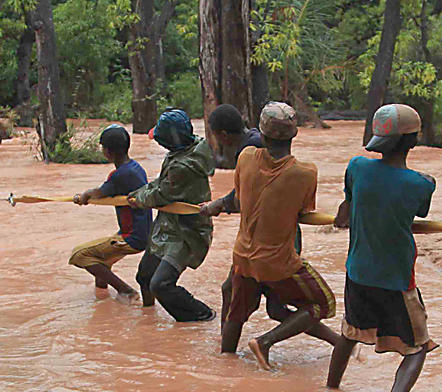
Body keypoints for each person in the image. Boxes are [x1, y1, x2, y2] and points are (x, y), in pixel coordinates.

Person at [203, 102, 343, 368]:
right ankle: (265, 342)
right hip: (278, 261)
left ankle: (225, 363)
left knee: (236, 312)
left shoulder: (245, 158)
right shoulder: (306, 173)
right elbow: (303, 211)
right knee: (323, 304)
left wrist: (217, 205)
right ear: (294, 135)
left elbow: (238, 199)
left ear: (262, 134)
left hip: (243, 256)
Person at [326, 103, 437, 392]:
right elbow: (420, 212)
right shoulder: (421, 184)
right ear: (413, 141)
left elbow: (345, 209)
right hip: (396, 280)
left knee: (350, 332)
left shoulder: (357, 167)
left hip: (357, 273)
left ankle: (330, 390)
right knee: (417, 348)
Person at [128, 109, 216, 322]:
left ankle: (203, 316)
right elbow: (160, 184)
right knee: (144, 276)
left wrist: (139, 199)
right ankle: (148, 316)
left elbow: (161, 195)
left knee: (161, 284)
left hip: (187, 233)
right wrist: (138, 194)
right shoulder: (188, 148)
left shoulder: (183, 166)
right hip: (168, 225)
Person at [68, 124, 153, 298]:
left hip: (131, 237)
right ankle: (102, 296)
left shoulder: (120, 175)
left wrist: (84, 195)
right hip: (144, 232)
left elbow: (98, 193)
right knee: (101, 260)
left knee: (79, 255)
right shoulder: (136, 168)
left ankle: (126, 291)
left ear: (107, 151)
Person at [209, 103, 264, 170]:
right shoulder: (256, 138)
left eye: (215, 136)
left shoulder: (249, 151)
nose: (217, 141)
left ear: (224, 135)